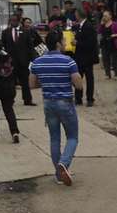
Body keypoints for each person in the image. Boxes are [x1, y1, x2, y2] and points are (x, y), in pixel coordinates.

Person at [29, 30, 83, 186]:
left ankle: (59, 176)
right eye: (64, 41)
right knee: (72, 137)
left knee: (54, 138)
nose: (66, 43)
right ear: (58, 43)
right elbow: (78, 85)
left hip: (48, 103)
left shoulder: (37, 62)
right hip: (65, 102)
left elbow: (32, 84)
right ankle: (63, 164)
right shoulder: (68, 61)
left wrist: (46, 82)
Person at [2, 14, 37, 106]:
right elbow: (4, 46)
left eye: (15, 20)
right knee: (10, 82)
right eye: (11, 20)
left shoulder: (25, 32)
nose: (13, 22)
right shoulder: (6, 32)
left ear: (18, 21)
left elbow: (30, 46)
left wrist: (33, 59)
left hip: (23, 61)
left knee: (25, 82)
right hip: (11, 62)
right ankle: (10, 99)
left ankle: (27, 99)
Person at [72, 9, 99, 107]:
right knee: (78, 77)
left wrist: (77, 43)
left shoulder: (88, 26)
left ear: (79, 15)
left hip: (87, 57)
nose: (75, 16)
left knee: (89, 79)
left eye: (76, 14)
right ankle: (78, 98)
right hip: (80, 57)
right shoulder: (80, 26)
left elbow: (90, 43)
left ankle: (90, 98)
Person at [98, 10, 117, 78]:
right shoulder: (103, 24)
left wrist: (115, 35)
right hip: (104, 43)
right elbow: (99, 31)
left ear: (110, 16)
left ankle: (116, 74)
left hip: (112, 42)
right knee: (105, 59)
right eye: (103, 16)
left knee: (114, 59)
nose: (104, 17)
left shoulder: (115, 24)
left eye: (106, 16)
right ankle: (107, 74)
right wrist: (101, 24)